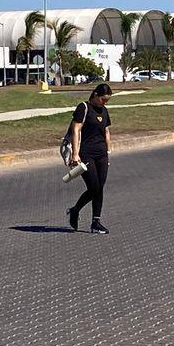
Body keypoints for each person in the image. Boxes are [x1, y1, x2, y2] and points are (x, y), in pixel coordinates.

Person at [65, 82, 113, 235]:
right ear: (95, 95)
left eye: (107, 100)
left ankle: (95, 222)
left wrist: (109, 151)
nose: (104, 103)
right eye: (103, 99)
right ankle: (76, 210)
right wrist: (75, 154)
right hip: (86, 154)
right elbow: (76, 130)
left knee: (99, 188)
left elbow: (106, 131)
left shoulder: (104, 111)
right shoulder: (83, 108)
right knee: (94, 187)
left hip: (102, 154)